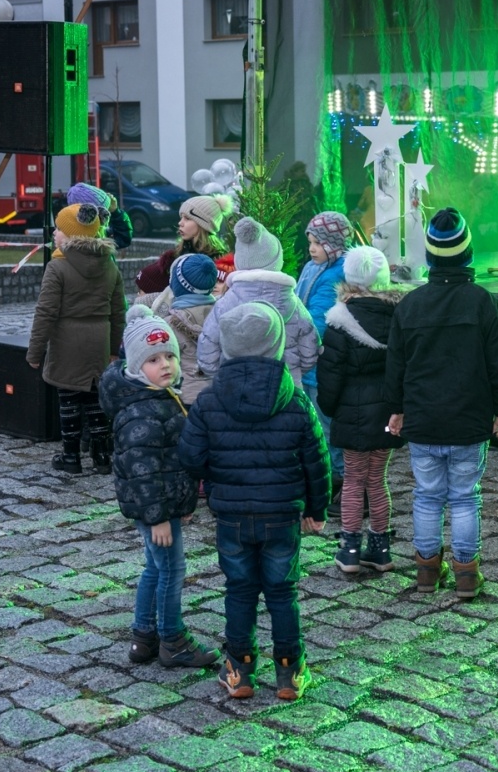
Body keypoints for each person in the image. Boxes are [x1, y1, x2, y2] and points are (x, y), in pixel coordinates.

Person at [178, 302, 331, 701]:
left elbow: (190, 457)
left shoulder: (209, 402)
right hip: (282, 516)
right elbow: (318, 461)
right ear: (278, 344)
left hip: (231, 516)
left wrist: (201, 490)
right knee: (282, 592)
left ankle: (240, 668)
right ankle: (289, 671)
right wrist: (317, 510)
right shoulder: (295, 401)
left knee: (240, 590)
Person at [384, 208, 498, 598]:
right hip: (469, 421)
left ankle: (427, 572)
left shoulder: (410, 305)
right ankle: (466, 574)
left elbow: (395, 365)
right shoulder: (485, 303)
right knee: (464, 497)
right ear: (467, 254)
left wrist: (394, 408)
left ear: (428, 256)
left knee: (427, 496)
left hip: (423, 421)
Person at [98, 305, 217, 669]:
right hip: (157, 511)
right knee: (171, 570)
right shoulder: (144, 411)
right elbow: (143, 472)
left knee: (155, 568)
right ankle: (173, 639)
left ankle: (143, 637)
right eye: (154, 360)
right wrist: (159, 518)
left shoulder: (160, 397)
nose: (165, 365)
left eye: (170, 356)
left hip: (162, 507)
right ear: (136, 368)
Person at [316, 246, 407, 575]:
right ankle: (380, 550)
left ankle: (350, 550)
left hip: (351, 415)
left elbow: (330, 375)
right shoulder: (399, 317)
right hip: (387, 413)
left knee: (354, 481)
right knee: (378, 480)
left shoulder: (339, 321)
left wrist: (330, 407)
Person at [26, 202, 126, 475]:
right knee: (96, 398)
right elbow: (119, 311)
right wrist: (114, 348)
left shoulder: (57, 267)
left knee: (68, 398)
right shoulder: (110, 266)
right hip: (100, 339)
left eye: (59, 229)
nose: (55, 233)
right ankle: (103, 455)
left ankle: (71, 456)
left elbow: (45, 312)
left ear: (70, 234)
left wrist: (34, 353)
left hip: (67, 341)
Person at [197, 217, 320, 385]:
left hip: (235, 389)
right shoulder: (294, 304)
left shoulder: (224, 304)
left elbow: (207, 353)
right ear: (276, 261)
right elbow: (310, 352)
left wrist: (226, 375)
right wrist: (292, 372)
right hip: (285, 389)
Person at [296, 211, 353, 506]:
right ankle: (327, 476)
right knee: (315, 423)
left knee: (327, 425)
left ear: (333, 244)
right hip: (307, 361)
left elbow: (318, 319)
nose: (312, 248)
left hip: (321, 362)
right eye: (310, 241)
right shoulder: (312, 267)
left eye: (317, 242)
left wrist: (298, 342)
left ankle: (342, 480)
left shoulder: (337, 273)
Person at [154, 253, 220, 405]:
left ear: (177, 286)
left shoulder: (169, 324)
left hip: (185, 398)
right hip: (220, 395)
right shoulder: (223, 315)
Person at [137, 194, 233, 296]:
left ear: (203, 224)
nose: (180, 223)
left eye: (187, 218)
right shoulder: (178, 252)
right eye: (181, 217)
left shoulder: (217, 261)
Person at [67, 181, 133, 251]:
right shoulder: (88, 243)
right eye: (103, 212)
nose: (105, 217)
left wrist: (115, 212)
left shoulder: (100, 230)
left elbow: (123, 239)